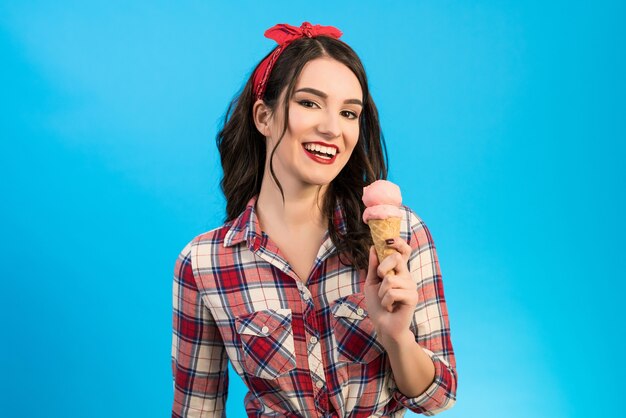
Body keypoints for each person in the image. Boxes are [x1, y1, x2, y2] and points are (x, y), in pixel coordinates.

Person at [171, 22, 457, 417]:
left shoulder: (401, 235)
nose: (331, 127)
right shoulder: (204, 263)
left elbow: (437, 398)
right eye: (309, 103)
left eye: (349, 112)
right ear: (263, 116)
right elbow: (196, 411)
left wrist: (396, 338)